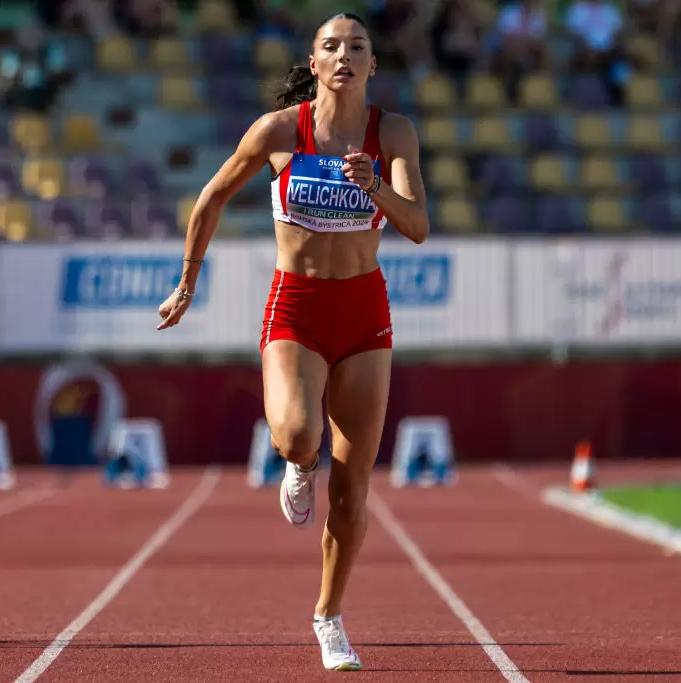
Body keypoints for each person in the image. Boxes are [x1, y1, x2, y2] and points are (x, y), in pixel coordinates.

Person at [155, 11, 429, 672]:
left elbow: (417, 224)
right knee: (298, 435)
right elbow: (212, 196)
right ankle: (298, 464)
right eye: (331, 46)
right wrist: (188, 283)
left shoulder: (391, 132)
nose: (343, 55)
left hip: (365, 313)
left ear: (371, 66)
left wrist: (376, 189)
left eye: (356, 47)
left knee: (354, 488)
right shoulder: (281, 131)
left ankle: (329, 616)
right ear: (314, 63)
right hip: (298, 307)